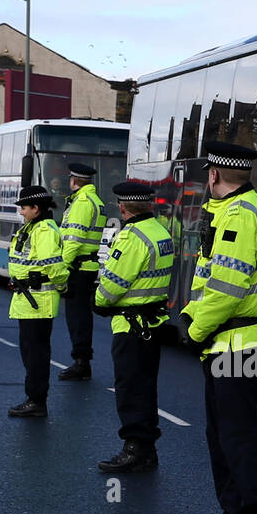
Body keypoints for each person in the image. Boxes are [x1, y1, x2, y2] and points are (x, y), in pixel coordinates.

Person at [176, 141, 257, 514]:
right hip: (226, 342)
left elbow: (226, 288)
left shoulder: (239, 216)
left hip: (236, 342)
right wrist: (192, 318)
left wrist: (194, 327)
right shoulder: (234, 211)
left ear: (214, 175)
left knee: (241, 439)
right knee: (222, 436)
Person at [94, 181, 173, 472]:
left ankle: (134, 449)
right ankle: (147, 449)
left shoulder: (131, 237)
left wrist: (99, 302)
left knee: (129, 388)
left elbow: (112, 284)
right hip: (153, 321)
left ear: (123, 207)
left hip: (132, 325)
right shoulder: (160, 231)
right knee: (145, 387)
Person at [6, 186, 67, 418]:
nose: (21, 212)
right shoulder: (33, 227)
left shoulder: (44, 230)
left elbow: (54, 266)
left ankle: (36, 401)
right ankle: (34, 398)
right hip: (29, 300)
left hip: (39, 301)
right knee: (29, 352)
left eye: (24, 208)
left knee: (36, 354)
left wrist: (63, 286)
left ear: (36, 208)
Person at [57, 162, 105, 381]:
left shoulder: (82, 203)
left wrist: (62, 267)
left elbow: (73, 241)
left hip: (78, 267)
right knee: (80, 315)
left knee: (76, 317)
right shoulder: (92, 200)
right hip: (85, 266)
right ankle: (81, 360)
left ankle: (81, 362)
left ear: (74, 181)